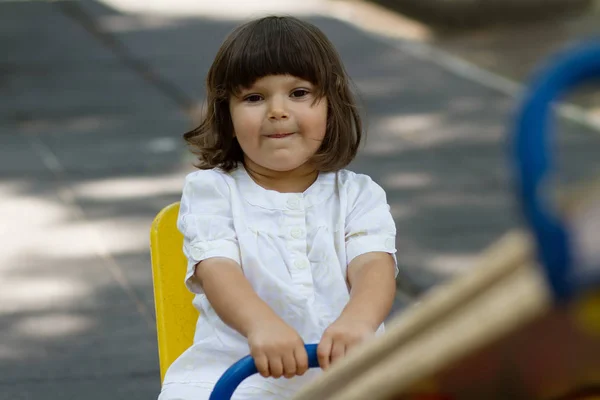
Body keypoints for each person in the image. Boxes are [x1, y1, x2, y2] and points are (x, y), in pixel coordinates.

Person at [158, 15, 398, 400]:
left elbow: (374, 266)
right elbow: (218, 268)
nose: (278, 110)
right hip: (238, 369)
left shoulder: (358, 195)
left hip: (346, 367)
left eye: (299, 93)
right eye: (254, 97)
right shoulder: (212, 192)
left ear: (331, 105)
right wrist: (260, 326)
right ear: (228, 115)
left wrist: (359, 321)